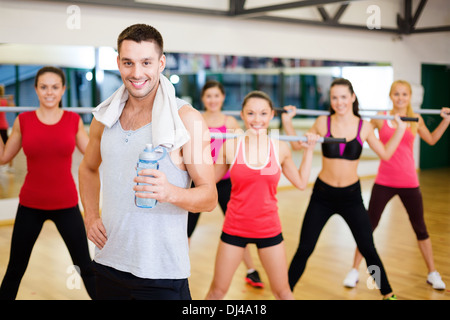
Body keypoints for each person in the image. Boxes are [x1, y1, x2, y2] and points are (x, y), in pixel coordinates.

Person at [79, 24, 217, 300]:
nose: (137, 73)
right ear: (118, 62)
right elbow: (88, 168)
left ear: (161, 63)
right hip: (108, 263)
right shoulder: (104, 118)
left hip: (161, 274)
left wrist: (171, 193)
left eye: (146, 62)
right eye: (128, 62)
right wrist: (91, 214)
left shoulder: (187, 120)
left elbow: (209, 196)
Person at [284, 78, 406, 300]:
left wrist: (401, 129)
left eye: (343, 97)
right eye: (334, 97)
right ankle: (283, 294)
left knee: (368, 248)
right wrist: (287, 121)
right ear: (330, 100)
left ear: (352, 97)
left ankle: (388, 294)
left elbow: (386, 154)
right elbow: (296, 145)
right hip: (322, 196)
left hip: (351, 196)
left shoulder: (365, 126)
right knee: (305, 248)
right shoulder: (322, 123)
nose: (339, 102)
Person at [205, 91, 319, 300]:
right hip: (235, 227)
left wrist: (309, 150)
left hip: (268, 228)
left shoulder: (280, 148)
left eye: (263, 113)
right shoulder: (231, 146)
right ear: (242, 115)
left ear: (272, 115)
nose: (257, 120)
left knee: (283, 292)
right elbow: (208, 181)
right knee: (216, 291)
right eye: (251, 113)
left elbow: (302, 182)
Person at [343, 80, 450, 290]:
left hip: (409, 181)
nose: (400, 98)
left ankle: (432, 272)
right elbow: (360, 130)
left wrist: (446, 121)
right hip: (384, 180)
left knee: (420, 227)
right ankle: (354, 270)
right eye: (396, 94)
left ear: (410, 97)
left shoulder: (415, 119)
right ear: (390, 96)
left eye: (404, 94)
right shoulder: (381, 118)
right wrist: (348, 113)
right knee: (368, 226)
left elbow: (431, 140)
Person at [0, 66, 94, 300]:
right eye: (43, 87)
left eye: (54, 87)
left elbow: (94, 156)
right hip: (31, 205)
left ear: (63, 89)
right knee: (15, 270)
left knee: (85, 267)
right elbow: (3, 157)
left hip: (66, 205)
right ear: (36, 89)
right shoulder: (24, 121)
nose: (49, 92)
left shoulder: (73, 121)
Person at [188, 80, 264, 288]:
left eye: (216, 95)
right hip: (199, 182)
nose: (213, 100)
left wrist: (241, 137)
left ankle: (251, 270)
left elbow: (244, 146)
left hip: (224, 183)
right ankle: (179, 269)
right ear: (203, 99)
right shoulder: (197, 120)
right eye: (208, 96)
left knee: (236, 228)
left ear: (222, 97)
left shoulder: (230, 122)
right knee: (186, 228)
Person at [0, 85, 14, 173]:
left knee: (7, 147)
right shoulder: (4, 101)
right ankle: (10, 166)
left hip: (3, 127)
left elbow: (12, 107)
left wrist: (10, 99)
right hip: (4, 127)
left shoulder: (3, 101)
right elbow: (13, 106)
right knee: (7, 147)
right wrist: (10, 100)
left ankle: (10, 166)